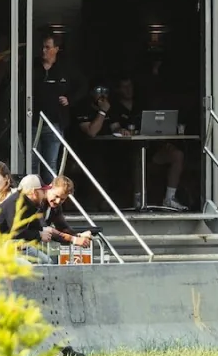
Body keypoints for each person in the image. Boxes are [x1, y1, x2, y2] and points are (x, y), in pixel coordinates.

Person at [79, 76, 187, 211]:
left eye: (130, 86)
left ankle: (169, 199)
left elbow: (117, 127)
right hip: (116, 151)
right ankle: (138, 202)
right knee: (136, 157)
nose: (128, 90)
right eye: (99, 91)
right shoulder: (105, 107)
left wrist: (121, 130)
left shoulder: (141, 104)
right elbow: (94, 131)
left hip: (148, 147)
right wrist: (105, 113)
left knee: (177, 154)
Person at [32, 34, 78, 182]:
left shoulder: (65, 68)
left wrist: (70, 98)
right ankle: (33, 195)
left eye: (48, 47)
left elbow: (82, 85)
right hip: (33, 123)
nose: (43, 50)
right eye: (42, 47)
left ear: (56, 49)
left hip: (55, 123)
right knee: (32, 165)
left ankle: (52, 196)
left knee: (50, 165)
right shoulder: (32, 66)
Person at [40, 175, 93, 251]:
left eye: (62, 199)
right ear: (50, 187)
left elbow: (63, 227)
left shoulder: (56, 206)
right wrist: (74, 239)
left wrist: (78, 236)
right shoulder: (38, 201)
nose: (58, 201)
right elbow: (44, 229)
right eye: (56, 196)